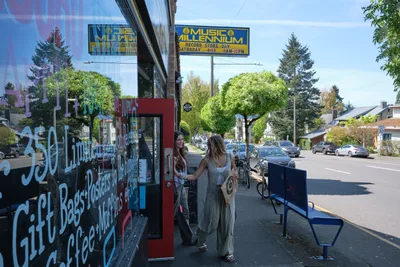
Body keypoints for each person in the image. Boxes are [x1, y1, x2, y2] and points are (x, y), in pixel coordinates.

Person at [186, 135, 238, 263]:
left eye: (211, 145)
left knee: (228, 224)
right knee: (211, 222)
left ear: (218, 145)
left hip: (227, 195)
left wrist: (235, 174)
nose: (209, 148)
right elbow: (194, 176)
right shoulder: (206, 160)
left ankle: (227, 251)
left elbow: (234, 170)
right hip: (212, 195)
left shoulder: (230, 156)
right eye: (208, 145)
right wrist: (179, 175)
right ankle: (199, 240)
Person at [173, 131, 195, 245]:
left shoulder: (180, 152)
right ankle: (187, 238)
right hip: (175, 187)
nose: (181, 141)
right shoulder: (172, 154)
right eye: (178, 140)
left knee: (185, 212)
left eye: (182, 139)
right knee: (174, 213)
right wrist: (177, 173)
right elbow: (170, 170)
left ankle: (187, 238)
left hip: (180, 186)